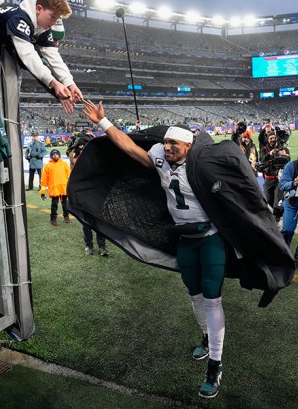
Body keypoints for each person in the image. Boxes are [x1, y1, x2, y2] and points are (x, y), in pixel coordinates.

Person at [82, 100, 226, 398]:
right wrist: (103, 122)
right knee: (194, 293)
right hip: (185, 240)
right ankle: (205, 335)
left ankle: (215, 363)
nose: (167, 146)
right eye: (166, 142)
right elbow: (130, 149)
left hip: (210, 239)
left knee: (212, 297)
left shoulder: (203, 165)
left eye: (174, 142)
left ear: (188, 145)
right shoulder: (161, 157)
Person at [0, 0, 84, 113]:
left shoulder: (42, 26)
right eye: (53, 16)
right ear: (39, 8)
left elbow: (53, 57)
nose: (54, 22)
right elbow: (28, 56)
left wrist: (70, 83)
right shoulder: (18, 19)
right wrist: (54, 83)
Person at [66, 132, 108, 256]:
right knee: (86, 223)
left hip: (96, 192)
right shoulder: (74, 158)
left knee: (99, 221)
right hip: (83, 193)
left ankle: (102, 246)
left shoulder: (95, 158)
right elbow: (73, 161)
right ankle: (89, 245)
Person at [258, 131, 290, 221]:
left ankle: (277, 217)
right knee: (268, 199)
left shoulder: (283, 149)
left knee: (277, 199)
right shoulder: (264, 149)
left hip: (280, 178)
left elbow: (288, 161)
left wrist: (284, 155)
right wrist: (269, 154)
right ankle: (280, 210)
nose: (272, 139)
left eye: (273, 137)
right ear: (268, 140)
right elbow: (262, 160)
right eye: (270, 138)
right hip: (269, 178)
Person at [39, 149, 70, 226]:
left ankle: (66, 216)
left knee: (65, 204)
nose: (55, 155)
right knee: (54, 205)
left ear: (59, 155)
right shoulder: (48, 166)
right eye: (53, 154)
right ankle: (53, 219)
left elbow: (69, 177)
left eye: (56, 154)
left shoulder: (64, 164)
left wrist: (71, 188)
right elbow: (44, 180)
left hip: (63, 188)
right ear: (51, 156)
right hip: (54, 189)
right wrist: (42, 192)